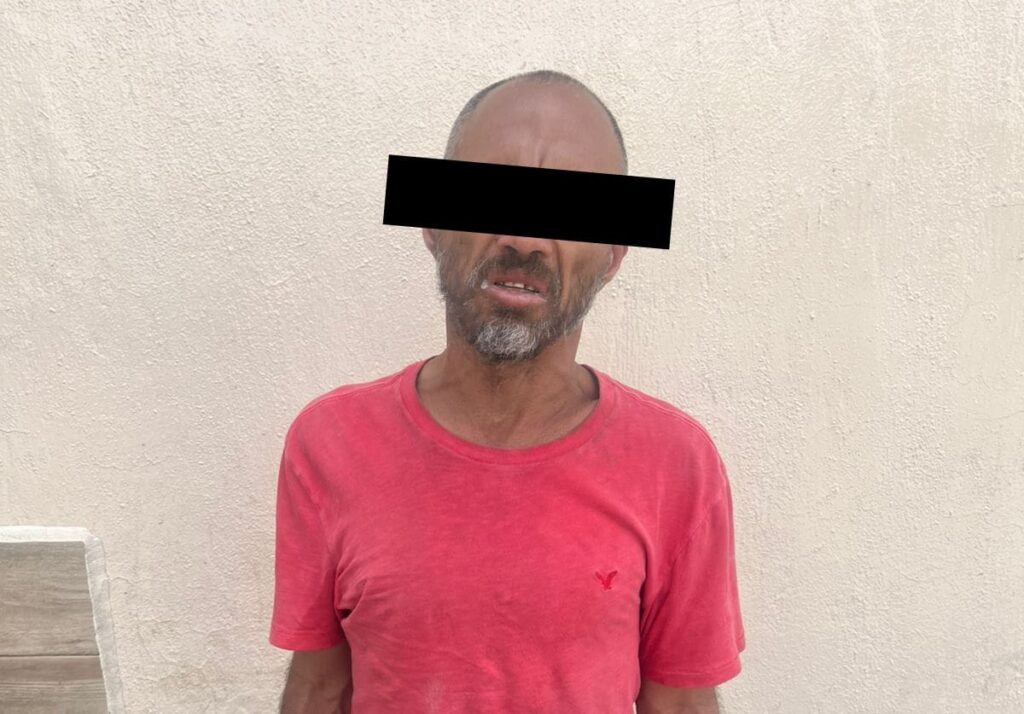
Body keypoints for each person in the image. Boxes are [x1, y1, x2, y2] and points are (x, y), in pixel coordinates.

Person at [269, 69, 745, 714]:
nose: (523, 239)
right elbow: (319, 688)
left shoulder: (675, 464)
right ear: (433, 224)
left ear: (613, 254)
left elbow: (681, 705)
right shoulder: (330, 444)